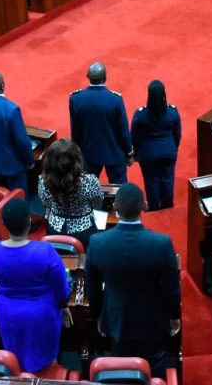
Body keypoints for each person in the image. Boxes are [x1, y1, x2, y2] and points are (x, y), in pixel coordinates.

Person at [85, 183, 180, 377]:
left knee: (122, 366)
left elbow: (92, 287)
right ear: (143, 206)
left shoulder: (97, 243)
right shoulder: (161, 243)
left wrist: (98, 317)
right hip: (153, 320)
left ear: (115, 208)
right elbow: (172, 288)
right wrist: (174, 315)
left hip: (116, 318)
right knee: (155, 364)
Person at [0, 197, 71, 373]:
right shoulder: (45, 251)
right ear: (29, 221)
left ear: (4, 223)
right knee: (48, 361)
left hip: (7, 314)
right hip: (42, 313)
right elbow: (60, 285)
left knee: (17, 358)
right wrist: (63, 304)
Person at [69, 62, 133, 184]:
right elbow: (123, 130)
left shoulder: (75, 99)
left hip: (88, 153)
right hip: (113, 152)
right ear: (105, 77)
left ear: (87, 76)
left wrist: (76, 152)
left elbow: (75, 130)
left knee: (86, 189)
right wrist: (129, 152)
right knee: (119, 189)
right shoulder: (115, 100)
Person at [37, 139, 104, 248]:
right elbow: (97, 203)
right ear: (77, 160)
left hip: (55, 230)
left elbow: (47, 204)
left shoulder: (42, 181)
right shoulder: (89, 181)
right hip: (85, 231)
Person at [130, 80, 181, 211]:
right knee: (167, 179)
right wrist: (174, 148)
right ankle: (167, 204)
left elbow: (134, 136)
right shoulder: (172, 112)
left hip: (148, 154)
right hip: (168, 151)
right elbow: (177, 133)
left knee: (151, 181)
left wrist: (135, 153)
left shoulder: (141, 115)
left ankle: (153, 206)